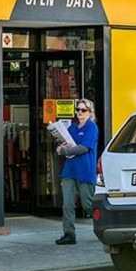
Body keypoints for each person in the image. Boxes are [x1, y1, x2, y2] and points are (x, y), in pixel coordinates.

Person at [55, 98, 99, 245]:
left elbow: (84, 147)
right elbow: (63, 143)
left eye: (83, 110)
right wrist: (60, 148)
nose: (80, 112)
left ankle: (105, 226)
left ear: (90, 112)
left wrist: (65, 151)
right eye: (78, 109)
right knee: (67, 204)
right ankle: (69, 233)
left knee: (88, 205)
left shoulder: (92, 127)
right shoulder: (72, 128)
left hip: (85, 170)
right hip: (69, 170)